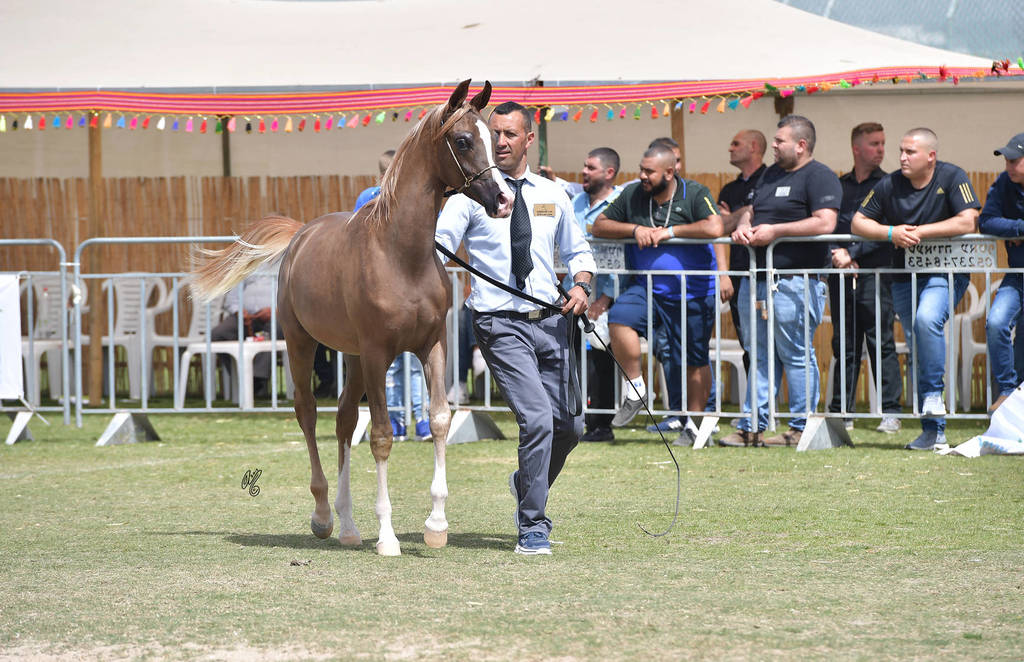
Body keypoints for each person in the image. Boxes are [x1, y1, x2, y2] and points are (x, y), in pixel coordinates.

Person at [435, 101, 595, 556]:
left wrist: (581, 286)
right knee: (538, 420)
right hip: (499, 323)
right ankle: (532, 526)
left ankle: (527, 481)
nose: (501, 142)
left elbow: (580, 255)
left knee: (570, 427)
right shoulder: (470, 196)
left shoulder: (554, 193)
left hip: (553, 322)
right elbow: (441, 246)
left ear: (529, 139)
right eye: (495, 133)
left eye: (510, 134)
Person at [852, 127, 980, 450]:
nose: (902, 157)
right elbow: (857, 222)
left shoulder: (952, 176)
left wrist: (920, 232)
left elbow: (968, 221)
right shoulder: (890, 183)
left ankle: (934, 398)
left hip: (945, 274)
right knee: (918, 345)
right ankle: (932, 431)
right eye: (901, 151)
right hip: (902, 277)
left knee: (926, 321)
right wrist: (890, 232)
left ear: (931, 156)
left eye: (910, 152)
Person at [592, 144, 722, 446]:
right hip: (647, 288)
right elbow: (599, 225)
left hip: (693, 291)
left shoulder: (695, 192)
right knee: (621, 316)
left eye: (649, 171)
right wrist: (634, 228)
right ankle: (636, 389)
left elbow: (714, 226)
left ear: (669, 172)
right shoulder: (634, 193)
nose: (642, 176)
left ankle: (694, 424)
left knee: (693, 358)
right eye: (641, 169)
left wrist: (671, 232)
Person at [724, 115, 840, 447]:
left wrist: (776, 232)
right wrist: (744, 224)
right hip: (756, 278)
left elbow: (825, 223)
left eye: (779, 141)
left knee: (796, 354)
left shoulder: (820, 177)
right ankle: (752, 427)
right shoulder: (769, 175)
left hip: (795, 281)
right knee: (758, 353)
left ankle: (800, 428)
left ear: (801, 145)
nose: (773, 146)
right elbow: (751, 209)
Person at [827, 123, 902, 433]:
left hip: (875, 271)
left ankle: (891, 412)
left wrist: (854, 253)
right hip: (840, 272)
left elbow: (889, 227)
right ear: (856, 148)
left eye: (883, 143)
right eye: (874, 144)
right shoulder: (838, 185)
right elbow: (828, 225)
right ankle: (841, 411)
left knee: (880, 341)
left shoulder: (888, 185)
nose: (881, 149)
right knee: (843, 342)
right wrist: (834, 252)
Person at [355, 150, 431, 439]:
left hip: (389, 291)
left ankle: (407, 419)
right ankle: (411, 418)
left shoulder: (407, 197)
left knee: (397, 364)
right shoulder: (373, 198)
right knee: (407, 363)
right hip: (395, 290)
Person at [566, 147, 623, 442]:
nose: (584, 172)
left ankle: (602, 424)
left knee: (602, 361)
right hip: (570, 295)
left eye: (590, 167)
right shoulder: (574, 202)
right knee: (569, 358)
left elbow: (618, 256)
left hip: (603, 298)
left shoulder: (619, 203)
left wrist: (606, 298)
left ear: (609, 172)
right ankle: (573, 421)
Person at [713, 130, 766, 422]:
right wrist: (724, 275)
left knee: (770, 346)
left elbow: (753, 216)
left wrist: (736, 215)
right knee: (749, 344)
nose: (729, 148)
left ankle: (768, 409)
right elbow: (719, 230)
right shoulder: (729, 190)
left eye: (736, 144)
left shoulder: (771, 179)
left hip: (767, 276)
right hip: (739, 277)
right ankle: (753, 408)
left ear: (754, 147)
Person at [981, 132, 1024, 414]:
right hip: (1018, 275)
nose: (1008, 165)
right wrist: (1019, 229)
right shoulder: (1003, 184)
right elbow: (985, 221)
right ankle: (1008, 393)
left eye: (1014, 160)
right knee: (996, 323)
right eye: (1007, 160)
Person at [210, 260, 280, 398]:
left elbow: (293, 296)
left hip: (278, 315)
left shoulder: (287, 260)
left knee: (275, 327)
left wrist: (276, 310)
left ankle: (257, 381)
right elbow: (231, 299)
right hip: (247, 317)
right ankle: (241, 378)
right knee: (219, 334)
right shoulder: (248, 263)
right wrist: (239, 311)